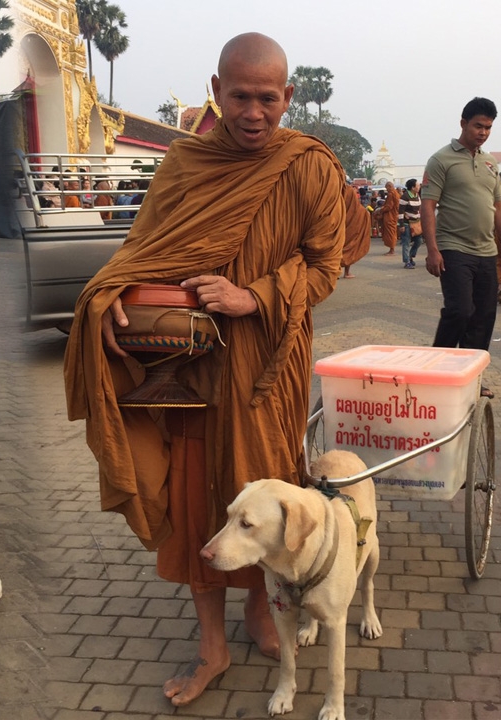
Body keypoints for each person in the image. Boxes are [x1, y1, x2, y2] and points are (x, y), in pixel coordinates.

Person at [64, 33, 346, 707]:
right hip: (192, 372)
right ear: (215, 91)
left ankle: (259, 614)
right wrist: (105, 298)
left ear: (288, 97)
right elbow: (140, 251)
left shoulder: (308, 166)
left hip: (268, 369)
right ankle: (211, 646)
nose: (254, 113)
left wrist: (254, 296)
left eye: (268, 99)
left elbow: (327, 264)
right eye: (241, 96)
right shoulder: (185, 163)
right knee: (199, 505)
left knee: (267, 501)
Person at [423, 97, 501, 370]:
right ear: (463, 123)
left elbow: (497, 208)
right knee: (459, 311)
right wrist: (432, 250)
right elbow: (428, 205)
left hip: (487, 252)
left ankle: (471, 377)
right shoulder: (441, 160)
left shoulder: (491, 163)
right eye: (478, 126)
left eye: (489, 127)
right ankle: (437, 366)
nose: (483, 133)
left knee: (484, 317)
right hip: (453, 248)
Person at [340, 183, 372, 278]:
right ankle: (347, 272)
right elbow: (365, 214)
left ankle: (334, 272)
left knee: (337, 250)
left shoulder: (337, 206)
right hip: (350, 233)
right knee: (349, 249)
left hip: (338, 233)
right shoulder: (359, 210)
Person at [400, 177, 423, 269]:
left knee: (419, 241)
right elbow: (400, 212)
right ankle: (407, 261)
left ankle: (411, 256)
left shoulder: (417, 196)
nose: (419, 186)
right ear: (413, 188)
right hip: (407, 223)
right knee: (406, 242)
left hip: (416, 222)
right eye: (417, 185)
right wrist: (401, 225)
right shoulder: (405, 197)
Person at [377, 181, 400, 255]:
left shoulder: (391, 194)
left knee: (390, 233)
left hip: (390, 216)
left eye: (387, 188)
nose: (386, 190)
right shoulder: (396, 193)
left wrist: (381, 210)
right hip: (394, 215)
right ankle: (392, 248)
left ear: (390, 186)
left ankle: (392, 250)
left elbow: (389, 206)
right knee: (392, 232)